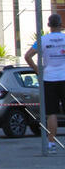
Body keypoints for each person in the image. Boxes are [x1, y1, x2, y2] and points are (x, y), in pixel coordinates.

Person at [24, 13, 65, 153]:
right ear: (60, 24)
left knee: (52, 112)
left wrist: (37, 70)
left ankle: (51, 143)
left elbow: (27, 56)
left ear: (49, 26)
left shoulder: (43, 40)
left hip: (49, 78)